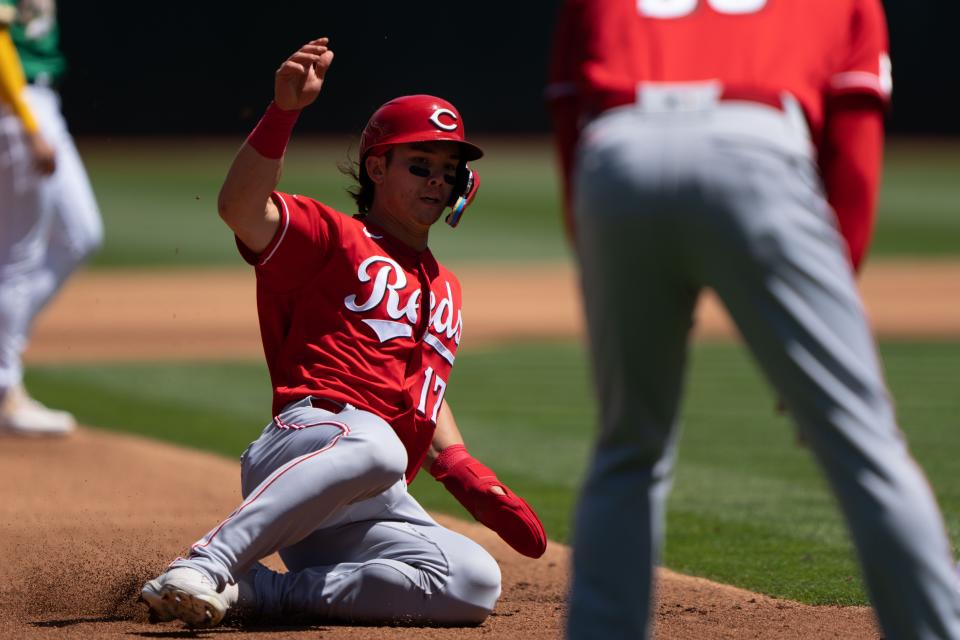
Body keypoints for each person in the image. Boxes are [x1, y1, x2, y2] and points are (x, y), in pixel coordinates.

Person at [547, 1, 960, 638]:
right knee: (863, 443)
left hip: (617, 153)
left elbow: (571, 127)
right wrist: (822, 333)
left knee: (627, 447)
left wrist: (614, 274)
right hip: (756, 144)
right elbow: (854, 162)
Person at [140, 38, 546, 629]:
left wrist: (457, 463)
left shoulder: (444, 283)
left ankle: (261, 595)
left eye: (448, 170)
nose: (438, 181)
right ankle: (208, 562)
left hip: (370, 494)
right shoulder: (330, 236)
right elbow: (240, 208)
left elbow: (418, 384)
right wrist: (285, 112)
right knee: (376, 446)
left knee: (473, 582)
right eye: (420, 165)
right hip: (309, 441)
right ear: (377, 167)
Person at [0, 0, 102, 436]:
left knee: (81, 235)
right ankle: (5, 390)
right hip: (15, 101)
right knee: (18, 259)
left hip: (42, 99)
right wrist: (26, 121)